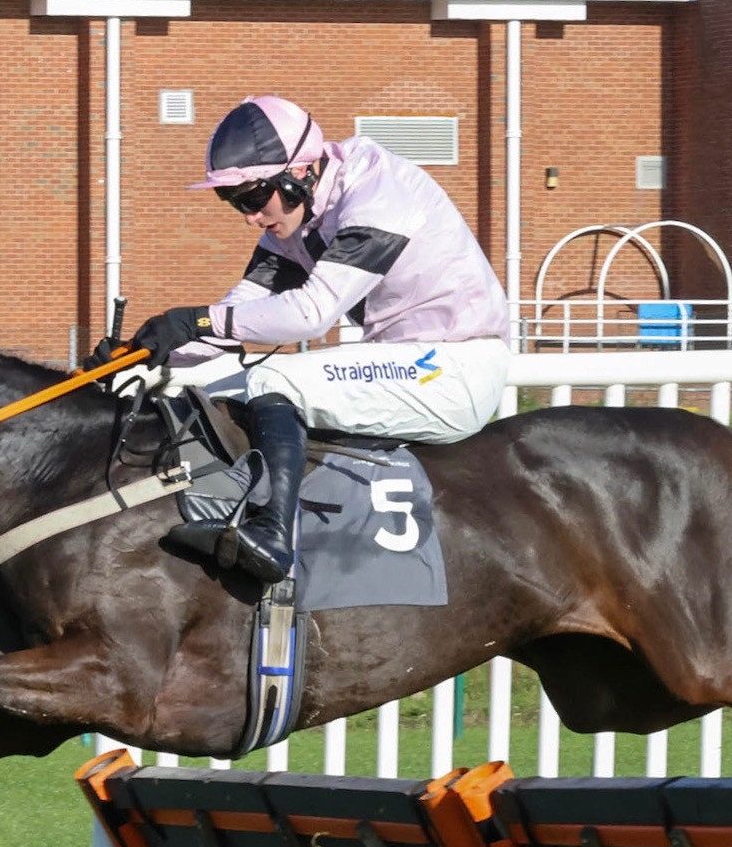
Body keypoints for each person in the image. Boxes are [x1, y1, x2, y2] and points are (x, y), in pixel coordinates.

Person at [124, 94, 511, 584]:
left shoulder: (379, 195)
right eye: (234, 201)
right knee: (212, 390)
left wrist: (196, 321)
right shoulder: (299, 217)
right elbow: (241, 310)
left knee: (274, 380)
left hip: (451, 369)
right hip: (405, 361)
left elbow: (311, 314)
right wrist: (142, 357)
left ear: (299, 173)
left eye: (253, 197)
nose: (249, 217)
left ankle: (271, 537)